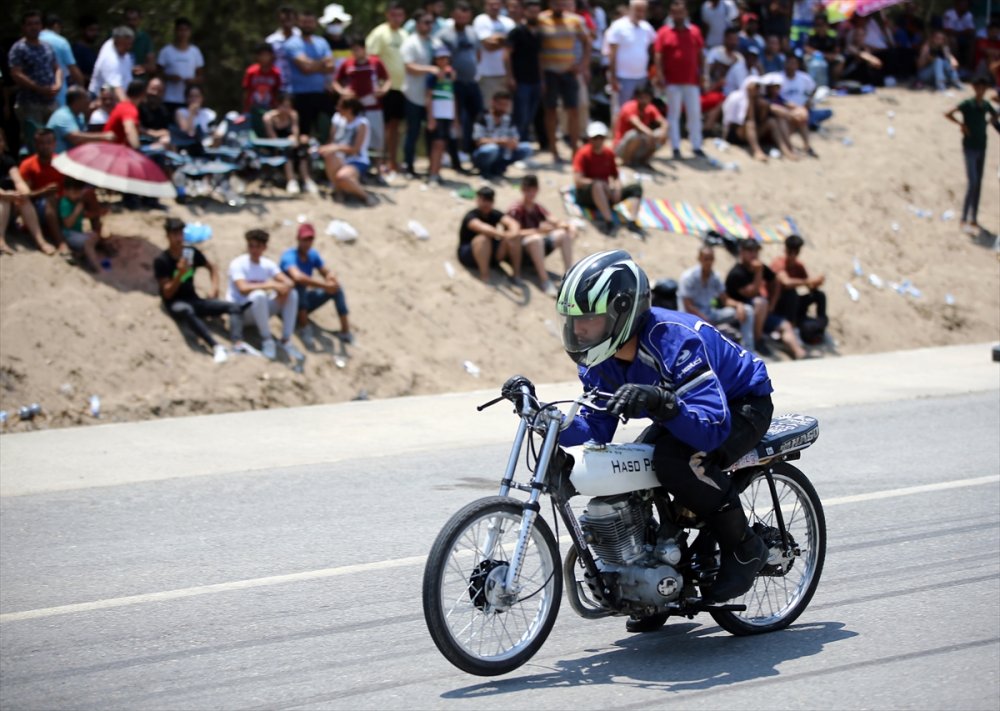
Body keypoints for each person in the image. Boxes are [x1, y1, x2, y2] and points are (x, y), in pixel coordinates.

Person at [555, 249, 776, 630]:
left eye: (587, 320)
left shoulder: (673, 341)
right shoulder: (600, 360)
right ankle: (656, 582)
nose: (578, 331)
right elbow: (596, 426)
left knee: (676, 462)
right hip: (676, 412)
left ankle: (745, 548)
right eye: (573, 321)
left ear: (620, 314)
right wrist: (551, 424)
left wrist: (663, 402)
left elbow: (711, 427)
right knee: (632, 466)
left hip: (740, 406)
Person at [156, 217, 243, 364]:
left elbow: (212, 268)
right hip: (175, 303)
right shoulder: (162, 260)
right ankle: (216, 346)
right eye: (174, 234)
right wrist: (180, 274)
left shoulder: (191, 252)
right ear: (168, 236)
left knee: (234, 307)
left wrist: (214, 289)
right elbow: (167, 293)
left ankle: (238, 344)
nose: (178, 238)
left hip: (194, 299)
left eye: (180, 234)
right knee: (186, 309)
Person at [227, 229, 304, 362]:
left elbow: (288, 282)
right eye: (251, 245)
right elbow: (243, 288)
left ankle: (286, 339)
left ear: (264, 247)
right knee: (259, 295)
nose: (253, 249)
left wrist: (283, 290)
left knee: (292, 294)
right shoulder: (238, 263)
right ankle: (267, 339)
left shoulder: (267, 264)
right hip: (241, 312)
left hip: (260, 311)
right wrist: (271, 285)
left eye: (257, 246)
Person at [725, 238, 805, 359]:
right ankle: (758, 339)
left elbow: (776, 281)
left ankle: (799, 353)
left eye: (756, 250)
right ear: (742, 252)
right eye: (750, 250)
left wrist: (772, 304)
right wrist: (758, 272)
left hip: (760, 314)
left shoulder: (761, 268)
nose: (754, 254)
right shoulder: (737, 273)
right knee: (760, 302)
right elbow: (751, 293)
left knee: (785, 325)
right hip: (742, 315)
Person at [280, 222, 352, 347]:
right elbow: (298, 277)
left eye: (310, 239)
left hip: (304, 302)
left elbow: (326, 271)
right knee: (299, 287)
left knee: (337, 288)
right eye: (305, 239)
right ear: (298, 239)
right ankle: (304, 327)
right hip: (286, 302)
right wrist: (324, 286)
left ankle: (345, 331)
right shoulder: (289, 256)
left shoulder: (312, 255)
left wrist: (331, 278)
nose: (307, 243)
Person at [945, 75, 1000, 233]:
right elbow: (948, 113)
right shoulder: (967, 104)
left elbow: (995, 117)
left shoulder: (986, 105)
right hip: (969, 146)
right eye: (979, 87)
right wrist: (961, 125)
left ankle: (973, 218)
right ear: (975, 88)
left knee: (978, 183)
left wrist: (992, 120)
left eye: (984, 88)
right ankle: (964, 217)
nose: (981, 90)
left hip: (982, 146)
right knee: (973, 182)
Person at [538, 0, 591, 162]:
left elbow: (587, 42)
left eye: (562, 4)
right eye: (555, 4)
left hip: (568, 72)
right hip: (549, 73)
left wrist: (583, 64)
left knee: (573, 110)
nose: (559, 7)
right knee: (550, 111)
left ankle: (575, 149)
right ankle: (554, 150)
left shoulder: (575, 20)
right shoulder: (541, 19)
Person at [507, 173, 576, 296]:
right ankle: (545, 282)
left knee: (563, 234)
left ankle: (569, 278)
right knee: (536, 239)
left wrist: (565, 225)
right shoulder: (516, 209)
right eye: (528, 190)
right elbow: (514, 234)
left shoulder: (536, 207)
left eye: (533, 190)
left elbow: (551, 218)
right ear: (522, 190)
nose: (531, 194)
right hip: (522, 250)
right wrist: (538, 231)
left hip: (538, 246)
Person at [654, 0, 706, 160]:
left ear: (686, 13)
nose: (678, 15)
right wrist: (660, 75)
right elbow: (658, 56)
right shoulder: (663, 32)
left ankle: (696, 146)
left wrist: (703, 74)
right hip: (672, 81)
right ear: (671, 14)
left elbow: (701, 55)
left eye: (681, 11)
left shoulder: (695, 31)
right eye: (675, 12)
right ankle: (675, 147)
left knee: (694, 114)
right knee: (673, 115)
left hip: (692, 80)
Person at [573, 121, 645, 236]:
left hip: (606, 193)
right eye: (595, 138)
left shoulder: (608, 153)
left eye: (600, 137)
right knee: (597, 185)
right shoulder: (582, 154)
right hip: (587, 196)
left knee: (636, 188)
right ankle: (609, 221)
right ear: (590, 139)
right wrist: (599, 183)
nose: (598, 141)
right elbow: (578, 181)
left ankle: (632, 221)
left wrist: (617, 188)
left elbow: (615, 176)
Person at [435, 2, 483, 172]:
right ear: (453, 16)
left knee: (478, 118)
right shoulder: (444, 35)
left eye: (466, 15)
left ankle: (475, 156)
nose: (462, 18)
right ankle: (455, 160)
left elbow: (478, 54)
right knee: (455, 123)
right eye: (459, 15)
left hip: (471, 83)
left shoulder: (472, 33)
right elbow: (440, 58)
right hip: (453, 86)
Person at [333, 35, 390, 174]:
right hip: (354, 110)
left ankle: (378, 169)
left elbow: (387, 79)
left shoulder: (375, 62)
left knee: (377, 140)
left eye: (357, 49)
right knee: (352, 139)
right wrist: (343, 92)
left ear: (364, 48)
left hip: (373, 106)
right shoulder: (347, 63)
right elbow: (336, 82)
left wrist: (383, 90)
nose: (355, 53)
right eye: (353, 50)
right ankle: (353, 167)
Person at [679, 244, 755, 348]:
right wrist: (705, 320)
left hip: (710, 314)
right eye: (706, 259)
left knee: (747, 310)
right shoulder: (688, 277)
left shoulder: (715, 277)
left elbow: (725, 300)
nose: (708, 262)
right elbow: (688, 307)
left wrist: (738, 305)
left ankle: (749, 349)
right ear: (699, 259)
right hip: (692, 318)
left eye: (711, 259)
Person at [8, 10, 61, 154]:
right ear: (23, 27)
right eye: (30, 24)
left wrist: (58, 83)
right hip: (30, 103)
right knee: (34, 142)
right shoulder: (18, 48)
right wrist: (39, 88)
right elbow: (16, 73)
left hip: (51, 102)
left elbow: (57, 68)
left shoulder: (47, 46)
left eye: (37, 23)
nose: (34, 27)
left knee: (53, 139)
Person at [365, 1, 409, 174]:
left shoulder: (405, 34)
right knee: (380, 127)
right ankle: (378, 161)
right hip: (384, 89)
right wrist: (378, 85)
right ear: (387, 15)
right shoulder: (379, 33)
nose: (396, 18)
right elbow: (371, 61)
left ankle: (392, 161)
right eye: (393, 14)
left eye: (400, 15)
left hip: (402, 88)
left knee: (395, 127)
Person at [285, 9, 335, 146]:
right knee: (303, 133)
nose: (308, 25)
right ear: (298, 23)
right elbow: (305, 68)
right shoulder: (292, 43)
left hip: (321, 93)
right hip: (301, 95)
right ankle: (302, 165)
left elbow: (331, 66)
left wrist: (312, 64)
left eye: (310, 22)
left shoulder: (322, 42)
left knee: (330, 125)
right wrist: (321, 63)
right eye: (304, 22)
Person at [457, 185, 524, 284]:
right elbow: (483, 228)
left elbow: (513, 224)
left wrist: (513, 233)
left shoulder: (494, 213)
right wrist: (504, 234)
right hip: (469, 254)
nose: (486, 203)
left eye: (489, 200)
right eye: (484, 200)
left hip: (491, 253)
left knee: (515, 238)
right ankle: (485, 276)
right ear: (478, 200)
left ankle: (516, 275)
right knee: (483, 238)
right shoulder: (471, 215)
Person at [0, 128, 51, 256]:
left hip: (9, 210)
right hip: (2, 203)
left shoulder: (7, 160)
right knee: (4, 200)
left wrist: (23, 192)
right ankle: (0, 241)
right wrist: (5, 195)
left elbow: (18, 180)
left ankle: (40, 241)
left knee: (23, 200)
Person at [605, 0, 657, 122]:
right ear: (630, 9)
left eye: (643, 10)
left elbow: (654, 48)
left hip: (642, 77)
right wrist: (613, 77)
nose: (640, 13)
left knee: (641, 111)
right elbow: (612, 54)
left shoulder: (647, 27)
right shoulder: (618, 26)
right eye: (637, 10)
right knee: (622, 111)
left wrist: (653, 72)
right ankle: (619, 139)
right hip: (622, 77)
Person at [400, 11, 438, 177]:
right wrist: (430, 69)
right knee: (412, 133)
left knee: (432, 132)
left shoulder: (434, 42)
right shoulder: (410, 43)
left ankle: (432, 167)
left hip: (431, 97)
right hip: (413, 95)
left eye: (431, 22)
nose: (429, 26)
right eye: (426, 22)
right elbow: (409, 67)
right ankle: (409, 166)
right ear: (417, 24)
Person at [18, 128, 68, 252]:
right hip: (38, 208)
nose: (45, 146)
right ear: (36, 145)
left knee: (87, 194)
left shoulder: (63, 163)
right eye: (42, 143)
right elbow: (24, 196)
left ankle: (99, 234)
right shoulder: (28, 165)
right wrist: (43, 192)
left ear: (54, 144)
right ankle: (60, 242)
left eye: (49, 142)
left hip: (62, 205)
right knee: (49, 199)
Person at [770, 233, 827, 341]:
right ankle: (792, 327)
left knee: (819, 295)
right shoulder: (778, 263)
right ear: (786, 250)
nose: (793, 256)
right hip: (777, 304)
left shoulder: (798, 266)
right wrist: (808, 281)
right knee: (791, 294)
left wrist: (817, 282)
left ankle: (821, 323)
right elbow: (786, 283)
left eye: (795, 252)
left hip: (792, 305)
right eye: (790, 252)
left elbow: (809, 286)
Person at [320, 97, 376, 204]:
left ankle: (364, 196)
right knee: (328, 154)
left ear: (349, 109)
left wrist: (336, 147)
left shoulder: (361, 123)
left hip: (357, 160)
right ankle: (339, 191)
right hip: (339, 158)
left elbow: (355, 149)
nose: (337, 109)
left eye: (340, 107)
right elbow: (331, 141)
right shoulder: (337, 119)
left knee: (343, 177)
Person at [505, 0, 545, 143]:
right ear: (524, 12)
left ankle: (524, 145)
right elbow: (507, 56)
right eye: (531, 12)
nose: (534, 15)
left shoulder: (539, 33)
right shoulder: (516, 32)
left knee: (529, 117)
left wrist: (542, 80)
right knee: (520, 116)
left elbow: (539, 58)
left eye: (536, 12)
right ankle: (518, 146)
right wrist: (510, 77)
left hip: (535, 80)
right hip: (520, 80)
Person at [472, 90, 532, 178]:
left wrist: (513, 142)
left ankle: (499, 168)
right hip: (483, 154)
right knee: (492, 149)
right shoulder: (482, 117)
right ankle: (485, 170)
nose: (503, 108)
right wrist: (500, 142)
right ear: (493, 102)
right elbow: (478, 141)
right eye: (500, 104)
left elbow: (515, 137)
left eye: (506, 105)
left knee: (526, 148)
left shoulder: (508, 118)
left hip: (504, 153)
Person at [264, 92, 315, 195]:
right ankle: (291, 181)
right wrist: (286, 142)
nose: (286, 109)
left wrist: (294, 139)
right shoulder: (268, 118)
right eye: (283, 105)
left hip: (292, 145)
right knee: (287, 150)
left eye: (288, 106)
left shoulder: (293, 115)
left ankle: (307, 180)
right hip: (276, 147)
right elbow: (272, 138)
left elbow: (295, 133)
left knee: (302, 148)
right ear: (278, 105)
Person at [425, 44, 458, 186]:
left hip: (447, 115)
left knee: (442, 144)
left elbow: (452, 97)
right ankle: (432, 173)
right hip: (437, 114)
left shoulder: (450, 75)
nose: (443, 60)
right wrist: (430, 117)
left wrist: (455, 118)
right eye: (440, 58)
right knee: (436, 144)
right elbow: (428, 97)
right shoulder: (432, 76)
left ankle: (437, 172)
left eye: (446, 58)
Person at [157, 18, 205, 117]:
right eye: (180, 30)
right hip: (169, 98)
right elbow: (157, 75)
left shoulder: (195, 52)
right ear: (175, 31)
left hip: (188, 100)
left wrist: (192, 81)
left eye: (185, 30)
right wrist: (170, 78)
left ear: (190, 32)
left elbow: (201, 76)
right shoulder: (166, 51)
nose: (183, 33)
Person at [613, 83, 667, 166]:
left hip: (640, 145)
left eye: (646, 98)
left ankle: (643, 161)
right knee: (635, 135)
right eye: (641, 98)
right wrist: (650, 135)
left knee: (661, 134)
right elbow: (637, 124)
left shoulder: (650, 107)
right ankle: (626, 162)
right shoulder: (629, 106)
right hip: (621, 147)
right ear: (636, 97)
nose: (644, 101)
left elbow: (664, 122)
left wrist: (663, 132)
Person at [59, 178, 105, 272]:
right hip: (68, 234)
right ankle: (95, 265)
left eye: (79, 192)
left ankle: (82, 254)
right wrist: (77, 210)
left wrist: (99, 213)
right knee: (88, 242)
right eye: (75, 192)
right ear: (66, 191)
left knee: (95, 235)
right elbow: (67, 224)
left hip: (78, 233)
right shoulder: (65, 203)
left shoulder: (77, 202)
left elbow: (84, 216)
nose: (78, 195)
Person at [475, 0, 517, 106]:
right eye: (491, 4)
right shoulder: (481, 20)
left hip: (506, 74)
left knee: (505, 110)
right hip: (487, 75)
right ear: (485, 6)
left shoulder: (509, 22)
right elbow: (488, 45)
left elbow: (514, 44)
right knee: (488, 108)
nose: (494, 7)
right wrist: (506, 40)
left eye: (497, 4)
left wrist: (497, 39)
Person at [47, 86, 112, 153]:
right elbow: (76, 139)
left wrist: (91, 111)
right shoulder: (63, 116)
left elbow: (85, 133)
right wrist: (104, 136)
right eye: (86, 98)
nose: (89, 101)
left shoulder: (79, 115)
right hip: (57, 159)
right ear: (77, 100)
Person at [40, 13, 84, 109]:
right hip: (58, 95)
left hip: (35, 95)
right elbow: (73, 69)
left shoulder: (34, 40)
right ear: (56, 25)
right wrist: (82, 87)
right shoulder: (61, 42)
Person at [242, 43, 282, 132]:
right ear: (257, 56)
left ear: (271, 56)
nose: (264, 58)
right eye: (262, 55)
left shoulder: (276, 73)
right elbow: (246, 91)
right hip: (252, 109)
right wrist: (245, 109)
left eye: (267, 55)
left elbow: (277, 92)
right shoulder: (251, 72)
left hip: (269, 109)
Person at [89, 26, 135, 102]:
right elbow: (116, 88)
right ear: (116, 42)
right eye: (126, 45)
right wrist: (128, 108)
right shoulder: (110, 59)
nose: (129, 47)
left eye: (130, 44)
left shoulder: (122, 51)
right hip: (102, 100)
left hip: (121, 94)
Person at [104, 78, 145, 150]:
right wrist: (138, 151)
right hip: (114, 152)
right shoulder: (130, 109)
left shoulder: (122, 105)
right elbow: (129, 130)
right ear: (143, 95)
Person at [266, 5, 301, 86]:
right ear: (279, 20)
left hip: (300, 84)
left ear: (295, 19)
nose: (287, 21)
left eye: (289, 18)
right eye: (284, 19)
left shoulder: (302, 38)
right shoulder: (271, 40)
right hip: (278, 83)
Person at [138, 77, 173, 146]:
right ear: (146, 89)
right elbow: (136, 128)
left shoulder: (164, 111)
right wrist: (154, 133)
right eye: (153, 89)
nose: (155, 93)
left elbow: (165, 132)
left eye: (159, 91)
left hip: (157, 143)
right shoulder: (138, 106)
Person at [72, 15, 102, 88]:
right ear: (82, 30)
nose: (95, 33)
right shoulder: (77, 50)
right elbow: (75, 73)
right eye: (91, 30)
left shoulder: (91, 50)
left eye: (96, 30)